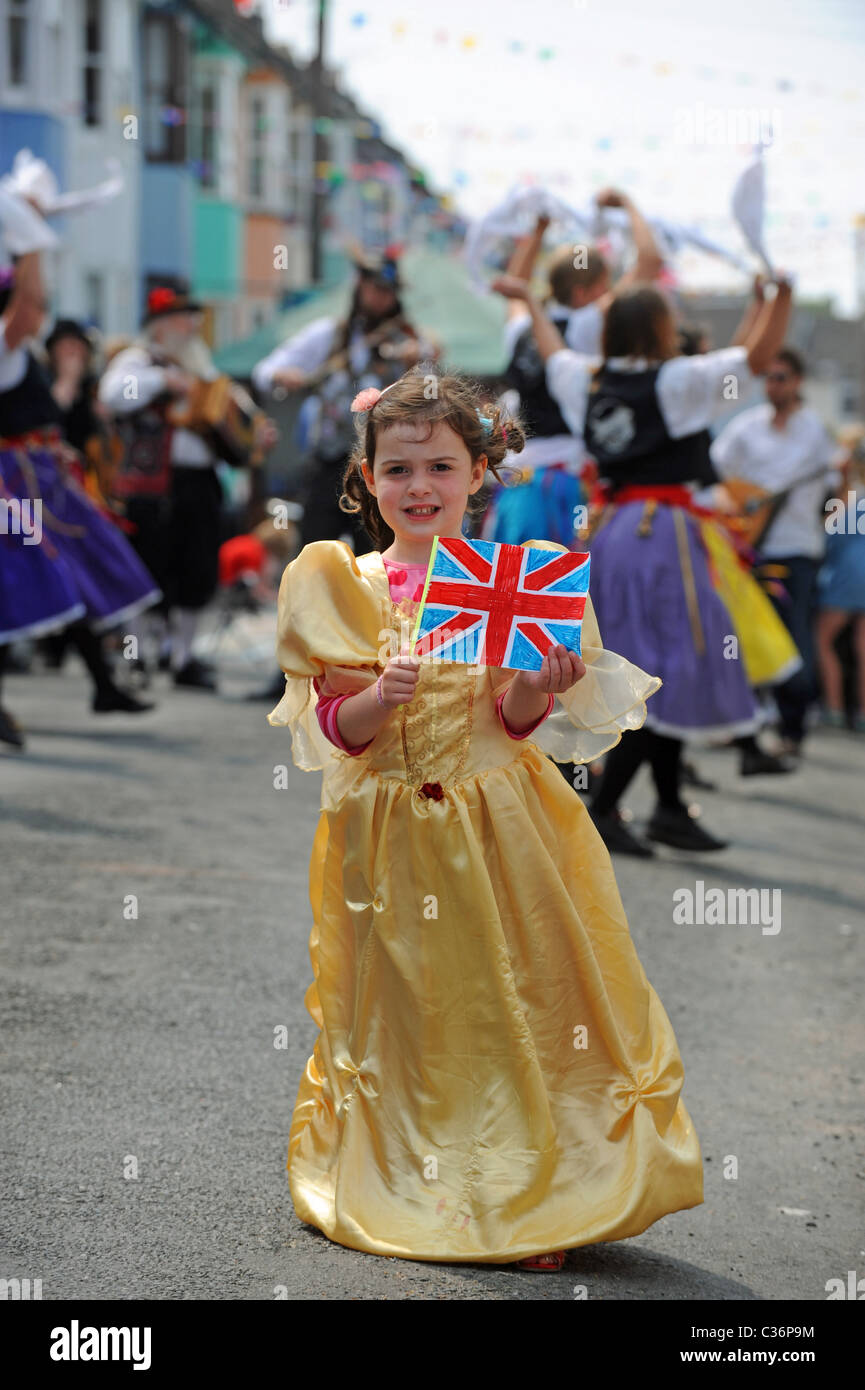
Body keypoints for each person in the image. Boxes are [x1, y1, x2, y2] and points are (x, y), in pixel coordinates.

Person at [267, 367, 702, 1268]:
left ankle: (529, 1190)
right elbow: (328, 733)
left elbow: (509, 721)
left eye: (438, 466)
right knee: (411, 1011)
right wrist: (376, 701)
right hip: (384, 834)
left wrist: (540, 686)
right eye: (396, 470)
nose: (417, 487)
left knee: (518, 998)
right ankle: (418, 1175)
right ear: (366, 478)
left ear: (477, 473)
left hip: (502, 826)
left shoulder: (512, 581)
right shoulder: (339, 583)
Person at [493, 270, 793, 856]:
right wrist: (778, 296)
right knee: (671, 666)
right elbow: (754, 359)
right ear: (661, 329)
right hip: (662, 535)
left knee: (651, 662)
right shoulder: (677, 380)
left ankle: (666, 805)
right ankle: (614, 807)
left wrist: (531, 298)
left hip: (611, 532)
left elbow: (552, 350)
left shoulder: (586, 376)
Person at [0, 250, 159, 749]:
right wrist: (30, 241)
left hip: (39, 484)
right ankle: (103, 686)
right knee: (36, 586)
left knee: (61, 584)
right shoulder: (8, 349)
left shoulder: (20, 356)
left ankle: (105, 685)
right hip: (15, 487)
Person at [99, 287, 274, 691]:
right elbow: (113, 395)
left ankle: (182, 657)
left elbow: (237, 418)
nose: (192, 326)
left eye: (193, 318)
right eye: (183, 318)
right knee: (146, 572)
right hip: (151, 485)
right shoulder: (138, 360)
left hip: (200, 484)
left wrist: (255, 434)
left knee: (196, 571)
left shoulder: (204, 368)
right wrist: (166, 380)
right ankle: (139, 656)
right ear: (160, 326)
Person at [483, 192, 664, 548]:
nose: (610, 295)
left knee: (515, 590)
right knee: (573, 593)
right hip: (567, 485)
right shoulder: (588, 325)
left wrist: (538, 231)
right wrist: (628, 205)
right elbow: (651, 263)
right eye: (606, 287)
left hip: (519, 486)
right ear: (584, 292)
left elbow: (516, 289)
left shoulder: (521, 328)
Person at [252, 253, 437, 551]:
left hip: (385, 468)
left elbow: (433, 389)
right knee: (317, 553)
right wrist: (285, 375)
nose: (381, 298)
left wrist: (420, 359)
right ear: (360, 287)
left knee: (380, 559)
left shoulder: (409, 340)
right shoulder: (330, 334)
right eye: (375, 288)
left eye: (388, 291)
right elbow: (264, 372)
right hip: (330, 464)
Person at [709, 348, 841, 756]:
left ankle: (793, 729)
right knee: (743, 638)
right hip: (750, 549)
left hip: (797, 549)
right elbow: (713, 473)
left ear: (798, 381)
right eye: (768, 377)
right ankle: (743, 724)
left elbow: (834, 488)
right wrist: (744, 508)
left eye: (781, 377)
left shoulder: (816, 432)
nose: (773, 385)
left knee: (793, 638)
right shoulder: (745, 427)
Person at [816, 425, 865, 731]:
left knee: (822, 640)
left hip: (847, 577)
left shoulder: (847, 498)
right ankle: (862, 713)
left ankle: (833, 708)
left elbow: (827, 530)